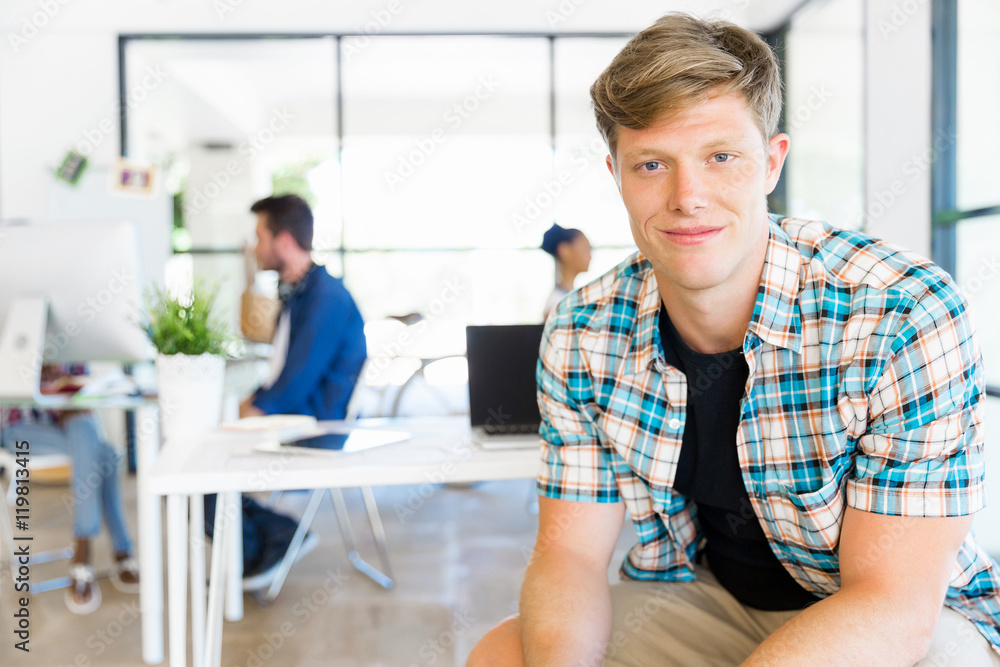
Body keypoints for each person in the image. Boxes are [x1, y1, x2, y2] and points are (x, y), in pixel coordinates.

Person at [469, 13, 1000, 666]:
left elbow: (894, 605)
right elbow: (570, 555)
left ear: (771, 162)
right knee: (504, 654)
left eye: (721, 157)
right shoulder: (583, 330)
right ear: (616, 175)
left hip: (899, 611)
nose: (688, 197)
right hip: (713, 599)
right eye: (652, 164)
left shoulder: (902, 312)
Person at [204, 193, 368, 591]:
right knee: (203, 461)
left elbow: (293, 386)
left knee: (201, 471)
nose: (253, 247)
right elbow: (284, 376)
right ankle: (271, 540)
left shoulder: (326, 298)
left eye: (259, 237)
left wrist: (244, 414)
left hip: (314, 430)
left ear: (284, 240)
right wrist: (246, 407)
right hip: (294, 418)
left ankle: (273, 542)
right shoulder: (302, 292)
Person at [0, 365, 139, 615]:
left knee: (89, 433)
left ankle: (84, 554)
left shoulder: (73, 348)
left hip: (67, 429)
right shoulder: (15, 346)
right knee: (104, 453)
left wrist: (71, 399)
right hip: (19, 430)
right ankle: (115, 551)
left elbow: (85, 392)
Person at [540, 223, 592, 320]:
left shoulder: (570, 296)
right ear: (565, 250)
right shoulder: (556, 304)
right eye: (586, 249)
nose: (590, 256)